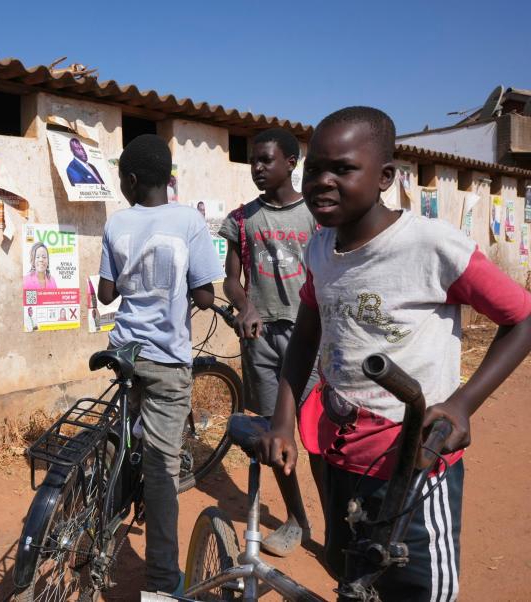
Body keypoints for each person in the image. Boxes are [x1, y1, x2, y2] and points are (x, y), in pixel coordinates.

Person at [255, 107, 531, 601]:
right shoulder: (320, 247)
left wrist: (463, 404)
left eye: (342, 168)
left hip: (413, 462)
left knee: (417, 588)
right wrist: (283, 417)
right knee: (355, 575)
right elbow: (307, 331)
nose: (322, 181)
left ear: (385, 177)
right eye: (314, 168)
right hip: (338, 453)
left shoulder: (430, 245)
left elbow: (523, 317)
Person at [98, 134, 223, 595]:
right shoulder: (189, 220)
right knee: (162, 470)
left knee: (123, 433)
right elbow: (206, 295)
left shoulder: (117, 224)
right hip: (168, 361)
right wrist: (193, 293)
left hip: (126, 352)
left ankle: (101, 520)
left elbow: (106, 294)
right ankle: (162, 582)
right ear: (166, 180)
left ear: (131, 181)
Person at [218, 127, 319, 557]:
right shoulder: (242, 219)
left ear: (291, 163)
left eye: (266, 160)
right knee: (272, 437)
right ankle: (297, 518)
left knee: (320, 435)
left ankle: (346, 528)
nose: (257, 168)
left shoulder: (316, 214)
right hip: (260, 340)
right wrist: (245, 306)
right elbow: (231, 279)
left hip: (310, 337)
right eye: (253, 161)